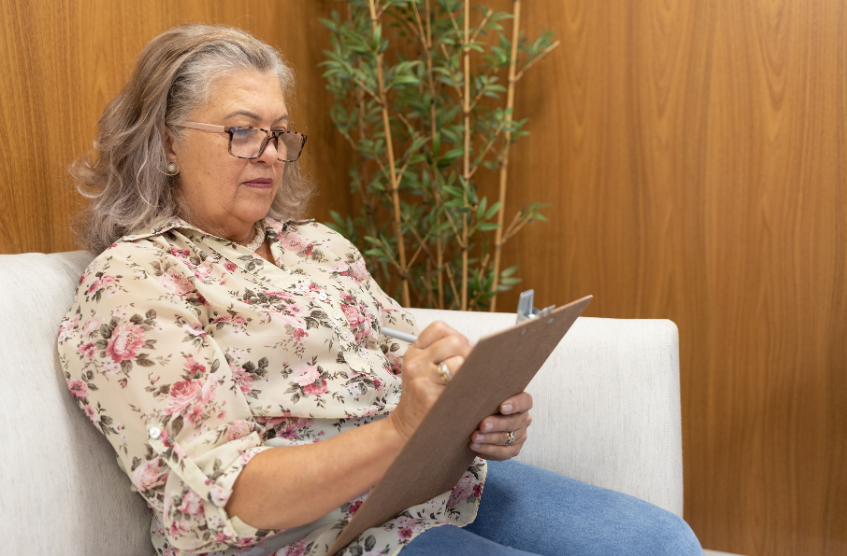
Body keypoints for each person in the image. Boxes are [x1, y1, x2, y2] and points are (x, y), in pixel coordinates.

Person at [57, 24, 702, 556]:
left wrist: (476, 412)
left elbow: (411, 367)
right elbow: (223, 498)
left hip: (436, 490)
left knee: (665, 544)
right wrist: (400, 431)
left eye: (280, 133)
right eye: (241, 130)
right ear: (167, 143)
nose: (270, 154)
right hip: (332, 540)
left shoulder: (317, 245)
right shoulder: (136, 283)